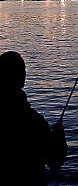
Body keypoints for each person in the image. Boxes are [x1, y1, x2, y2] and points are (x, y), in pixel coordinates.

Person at [0, 51, 68, 186]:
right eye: (23, 70)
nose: (25, 73)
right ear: (21, 78)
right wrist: (59, 135)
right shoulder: (34, 122)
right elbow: (55, 163)